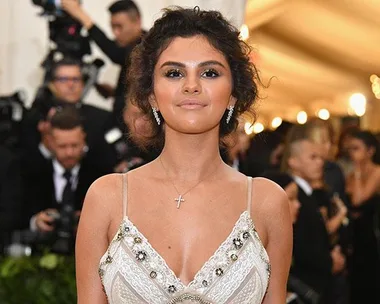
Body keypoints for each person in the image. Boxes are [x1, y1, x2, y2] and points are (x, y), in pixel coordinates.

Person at [75, 7, 292, 304]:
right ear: (151, 94)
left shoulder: (267, 202)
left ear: (232, 94)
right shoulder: (107, 197)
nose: (191, 86)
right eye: (174, 73)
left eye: (210, 72)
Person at [281, 124, 346, 303]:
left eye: (320, 158)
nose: (320, 162)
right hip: (306, 284)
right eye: (313, 157)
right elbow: (300, 244)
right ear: (293, 161)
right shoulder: (293, 194)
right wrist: (329, 263)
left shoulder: (310, 192)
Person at [62, 0, 145, 128]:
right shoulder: (133, 47)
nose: (115, 33)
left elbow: (116, 54)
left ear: (137, 21)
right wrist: (115, 93)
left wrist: (81, 15)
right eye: (112, 27)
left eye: (119, 26)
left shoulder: (147, 47)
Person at [346, 130, 380, 303]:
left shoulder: (377, 172)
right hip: (355, 236)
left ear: (370, 151)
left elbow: (358, 199)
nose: (352, 153)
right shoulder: (351, 176)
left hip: (372, 237)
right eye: (350, 149)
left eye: (356, 148)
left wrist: (358, 172)